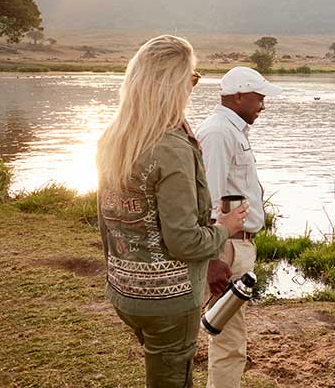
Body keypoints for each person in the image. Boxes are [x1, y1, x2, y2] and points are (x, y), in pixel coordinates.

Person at [96, 35, 247, 388]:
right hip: (169, 299)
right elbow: (184, 242)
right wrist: (224, 227)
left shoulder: (113, 139)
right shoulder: (171, 149)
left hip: (124, 291)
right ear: (174, 84)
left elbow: (108, 222)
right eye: (192, 79)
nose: (192, 89)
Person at [195, 66, 282, 388]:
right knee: (229, 340)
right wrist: (214, 257)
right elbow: (210, 199)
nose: (263, 105)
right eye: (258, 98)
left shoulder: (230, 130)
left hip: (234, 245)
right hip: (226, 246)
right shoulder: (219, 133)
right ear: (239, 97)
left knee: (225, 331)